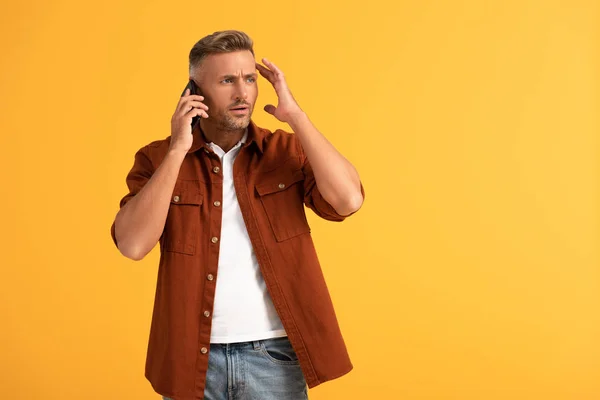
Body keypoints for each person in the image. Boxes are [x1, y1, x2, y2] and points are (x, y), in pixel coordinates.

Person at [110, 30, 365, 400]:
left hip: (274, 357)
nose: (243, 93)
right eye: (227, 80)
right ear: (193, 92)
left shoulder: (285, 151)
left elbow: (348, 200)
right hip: (189, 362)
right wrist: (179, 148)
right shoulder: (158, 158)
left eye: (249, 78)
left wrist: (296, 117)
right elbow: (132, 245)